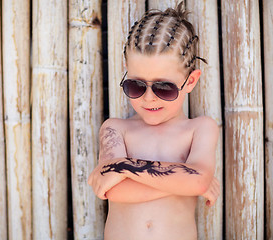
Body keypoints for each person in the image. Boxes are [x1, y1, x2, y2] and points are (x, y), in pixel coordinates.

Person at [88, 2, 220, 240]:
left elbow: (198, 183)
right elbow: (114, 190)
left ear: (190, 81)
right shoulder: (116, 129)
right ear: (126, 71)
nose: (148, 98)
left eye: (163, 87)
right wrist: (183, 180)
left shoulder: (199, 129)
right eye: (136, 85)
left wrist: (125, 166)